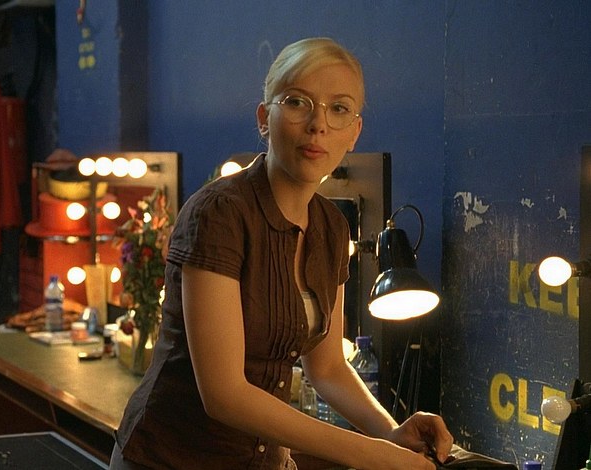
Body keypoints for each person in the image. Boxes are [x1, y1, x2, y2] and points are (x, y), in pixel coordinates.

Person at [110, 37, 453, 469]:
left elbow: (327, 368)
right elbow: (224, 395)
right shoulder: (219, 214)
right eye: (296, 102)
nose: (317, 125)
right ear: (263, 119)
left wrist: (390, 433)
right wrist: (372, 454)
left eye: (339, 108)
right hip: (170, 459)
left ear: (354, 133)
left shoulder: (332, 228)